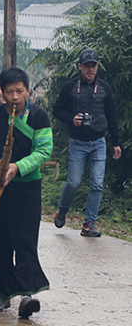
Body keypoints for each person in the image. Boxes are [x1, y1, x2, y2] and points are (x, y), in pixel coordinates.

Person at [0, 67, 53, 317]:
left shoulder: (39, 117)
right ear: (1, 93)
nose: (15, 97)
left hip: (27, 188)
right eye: (9, 92)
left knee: (25, 239)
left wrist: (19, 167)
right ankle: (4, 293)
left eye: (20, 91)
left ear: (28, 91)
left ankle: (27, 294)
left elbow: (43, 150)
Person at [52, 49, 122, 237]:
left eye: (93, 65)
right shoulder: (70, 87)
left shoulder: (105, 88)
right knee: (73, 182)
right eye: (87, 65)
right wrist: (71, 119)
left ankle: (89, 223)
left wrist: (115, 143)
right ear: (80, 66)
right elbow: (56, 110)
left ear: (97, 67)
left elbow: (112, 116)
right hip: (77, 142)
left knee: (97, 184)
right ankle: (63, 210)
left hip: (99, 141)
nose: (90, 69)